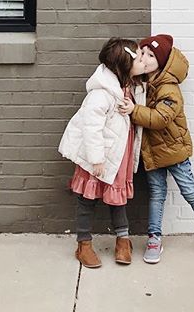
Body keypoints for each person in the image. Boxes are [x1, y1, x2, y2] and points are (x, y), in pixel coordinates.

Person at [118, 33, 194, 263]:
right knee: (157, 195)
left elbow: (161, 118)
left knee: (190, 192)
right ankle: (154, 237)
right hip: (152, 151)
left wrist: (133, 111)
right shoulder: (144, 83)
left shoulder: (168, 87)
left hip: (174, 150)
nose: (146, 58)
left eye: (152, 55)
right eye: (144, 53)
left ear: (162, 61)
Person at [58, 37, 146, 268]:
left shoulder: (129, 87)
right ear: (125, 63)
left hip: (119, 156)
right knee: (87, 199)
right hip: (98, 159)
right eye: (138, 57)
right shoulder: (101, 94)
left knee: (118, 200)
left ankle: (123, 240)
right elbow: (91, 128)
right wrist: (96, 159)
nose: (142, 60)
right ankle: (83, 244)